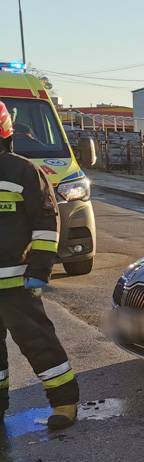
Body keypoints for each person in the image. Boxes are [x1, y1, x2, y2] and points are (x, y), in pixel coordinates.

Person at [0, 100, 79, 430]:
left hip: (18, 284)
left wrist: (39, 270)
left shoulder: (22, 171)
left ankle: (64, 404)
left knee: (39, 344)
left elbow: (46, 221)